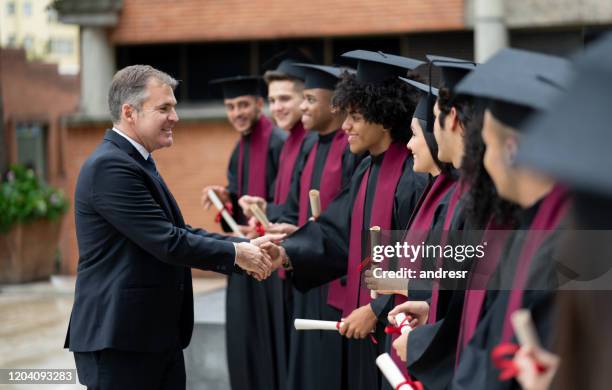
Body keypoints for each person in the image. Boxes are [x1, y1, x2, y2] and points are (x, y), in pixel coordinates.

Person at [64, 65, 273, 390]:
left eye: (174, 106)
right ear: (129, 112)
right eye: (164, 108)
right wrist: (235, 253)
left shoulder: (135, 160)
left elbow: (175, 230)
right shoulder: (110, 166)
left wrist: (234, 242)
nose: (175, 116)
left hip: (152, 336)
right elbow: (167, 241)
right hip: (121, 340)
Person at [262, 50, 429, 390]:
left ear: (383, 115)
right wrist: (288, 252)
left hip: (397, 326)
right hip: (364, 324)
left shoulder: (413, 178)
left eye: (354, 115)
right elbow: (337, 234)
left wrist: (376, 308)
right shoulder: (367, 169)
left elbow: (419, 262)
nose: (346, 126)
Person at [449, 47, 572, 390]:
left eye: (486, 145)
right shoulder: (534, 229)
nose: (483, 162)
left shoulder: (563, 251)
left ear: (512, 149)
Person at [202, 75, 287, 390]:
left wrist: (265, 221)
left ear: (259, 104)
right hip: (246, 255)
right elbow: (238, 207)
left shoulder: (279, 142)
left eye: (242, 104)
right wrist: (226, 199)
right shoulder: (239, 150)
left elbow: (290, 201)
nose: (236, 112)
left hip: (274, 257)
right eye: (229, 106)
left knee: (269, 343)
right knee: (243, 338)